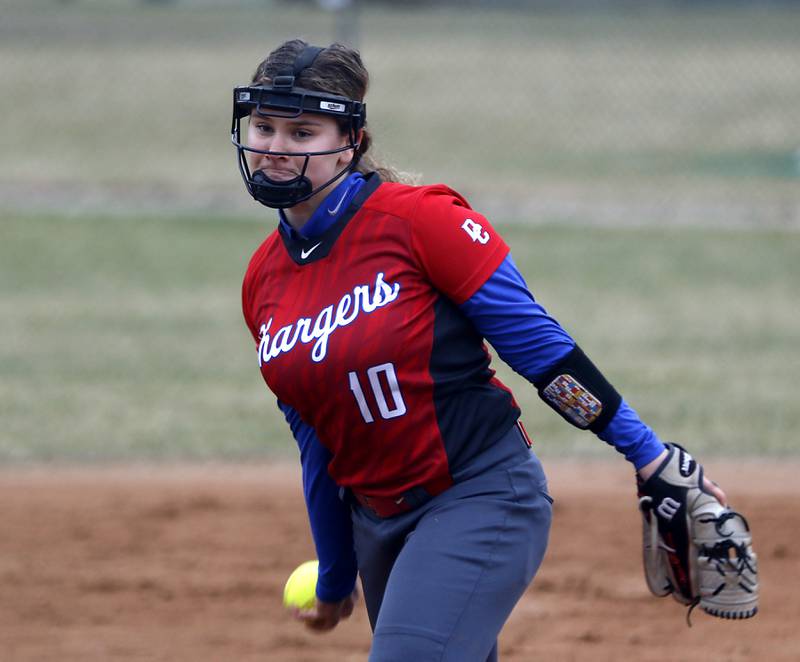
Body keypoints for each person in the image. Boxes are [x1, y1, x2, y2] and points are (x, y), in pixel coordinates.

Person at [234, 39, 728, 661]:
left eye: (301, 131)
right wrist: (336, 576)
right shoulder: (263, 281)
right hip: (377, 528)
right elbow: (317, 441)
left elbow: (543, 352)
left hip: (479, 496)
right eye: (264, 126)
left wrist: (649, 455)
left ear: (351, 142)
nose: (275, 148)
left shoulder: (421, 221)